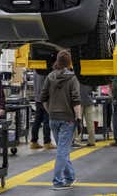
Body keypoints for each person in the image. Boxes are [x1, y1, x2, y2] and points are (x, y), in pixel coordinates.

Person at [41, 49, 81, 190]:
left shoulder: (50, 76)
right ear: (70, 62)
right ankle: (57, 181)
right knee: (63, 151)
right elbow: (76, 100)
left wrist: (50, 110)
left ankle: (69, 177)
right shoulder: (72, 78)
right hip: (67, 119)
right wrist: (79, 118)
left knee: (62, 149)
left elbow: (43, 98)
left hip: (53, 118)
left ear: (57, 61)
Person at [30, 70, 56, 150]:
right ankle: (47, 142)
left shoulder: (35, 71)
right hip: (45, 100)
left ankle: (33, 142)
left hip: (37, 99)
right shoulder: (45, 71)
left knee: (37, 121)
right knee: (46, 121)